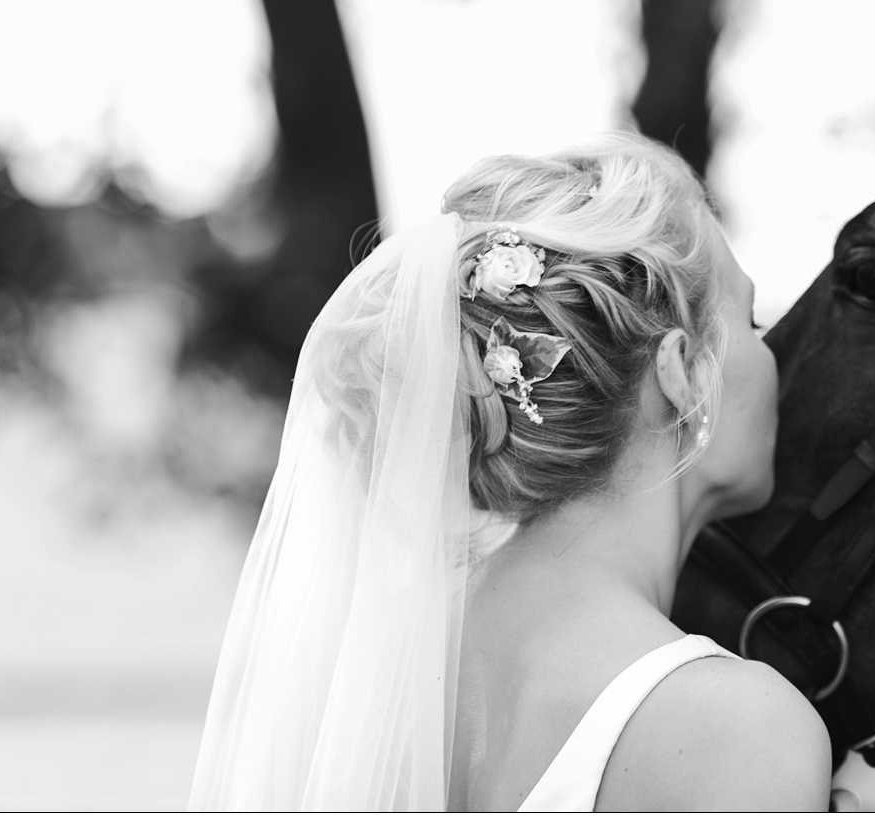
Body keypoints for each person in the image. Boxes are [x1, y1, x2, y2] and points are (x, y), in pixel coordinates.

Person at [189, 134, 832, 811]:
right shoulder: (738, 728)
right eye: (752, 317)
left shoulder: (372, 690)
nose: (775, 356)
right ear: (680, 373)